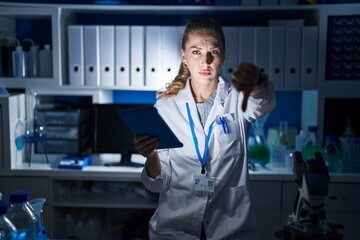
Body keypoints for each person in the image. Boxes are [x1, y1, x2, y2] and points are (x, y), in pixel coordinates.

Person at [134, 17, 276, 239]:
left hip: (229, 229)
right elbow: (158, 183)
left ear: (223, 56)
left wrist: (257, 82)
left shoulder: (237, 100)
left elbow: (263, 101)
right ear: (184, 57)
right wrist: (150, 154)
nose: (206, 60)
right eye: (196, 52)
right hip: (175, 230)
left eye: (214, 52)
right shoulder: (166, 108)